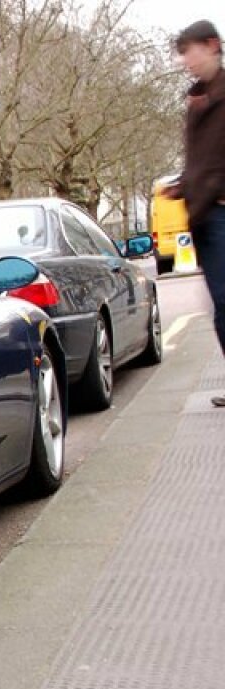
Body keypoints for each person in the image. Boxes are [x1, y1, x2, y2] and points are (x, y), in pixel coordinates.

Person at [165, 20, 225, 406]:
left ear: (212, 46)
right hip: (203, 215)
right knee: (221, 305)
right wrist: (184, 185)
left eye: (189, 52)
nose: (185, 62)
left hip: (220, 212)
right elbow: (200, 161)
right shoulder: (197, 100)